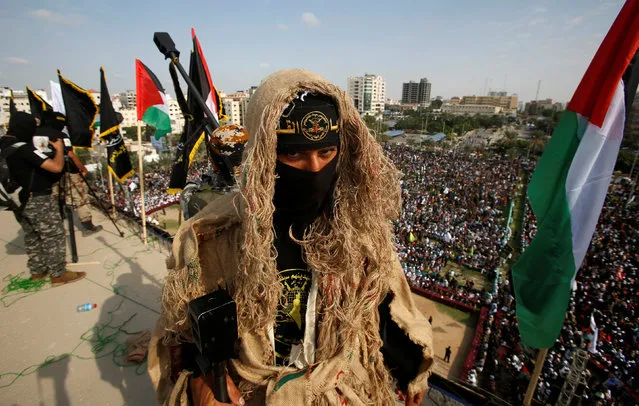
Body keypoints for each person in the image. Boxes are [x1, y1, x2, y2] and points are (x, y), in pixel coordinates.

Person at [148, 69, 434, 405]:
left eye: (326, 153)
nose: (314, 169)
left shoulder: (359, 232)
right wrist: (203, 382)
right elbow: (185, 335)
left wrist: (412, 370)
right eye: (294, 154)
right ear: (265, 154)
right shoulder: (212, 236)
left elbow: (379, 310)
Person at [1, 112, 85, 285]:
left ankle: (37, 271)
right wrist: (60, 150)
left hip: (17, 198)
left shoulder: (4, 145)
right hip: (37, 197)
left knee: (32, 234)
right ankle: (58, 274)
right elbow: (56, 167)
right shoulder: (23, 148)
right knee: (53, 234)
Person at [39, 111, 102, 235]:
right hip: (67, 171)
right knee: (80, 198)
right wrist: (82, 169)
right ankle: (87, 226)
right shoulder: (61, 135)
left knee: (55, 199)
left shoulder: (34, 133)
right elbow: (71, 155)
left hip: (46, 171)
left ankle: (56, 226)